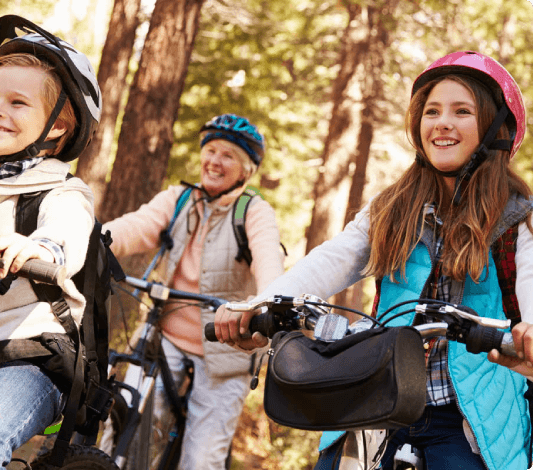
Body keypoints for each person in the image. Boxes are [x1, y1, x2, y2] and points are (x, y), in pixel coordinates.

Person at [215, 51, 533, 470]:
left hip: (466, 421)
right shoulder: (394, 206)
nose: (442, 122)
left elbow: (529, 281)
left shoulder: (516, 218)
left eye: (462, 111)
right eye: (432, 110)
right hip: (381, 395)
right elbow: (334, 258)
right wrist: (263, 303)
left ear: (496, 128)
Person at [0, 15, 101, 469]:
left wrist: (41, 248)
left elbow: (69, 232)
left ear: (56, 126)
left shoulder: (63, 192)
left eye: (17, 103)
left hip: (27, 351)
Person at [101, 113, 285, 469]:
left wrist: (265, 302)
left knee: (201, 459)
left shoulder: (253, 211)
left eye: (228, 155)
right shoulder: (180, 199)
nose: (215, 161)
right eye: (211, 150)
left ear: (246, 171)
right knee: (122, 427)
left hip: (226, 350)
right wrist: (93, 242)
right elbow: (136, 226)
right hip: (162, 338)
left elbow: (269, 261)